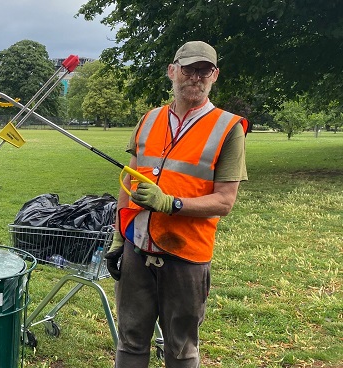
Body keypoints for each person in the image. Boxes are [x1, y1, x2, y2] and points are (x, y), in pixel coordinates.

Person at [105, 41, 248, 367]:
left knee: (181, 348)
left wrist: (171, 204)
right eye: (188, 68)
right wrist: (118, 234)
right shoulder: (149, 119)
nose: (195, 77)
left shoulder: (228, 129)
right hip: (136, 250)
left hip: (186, 257)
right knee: (129, 342)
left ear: (215, 76)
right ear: (172, 71)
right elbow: (129, 181)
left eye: (204, 70)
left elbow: (225, 201)